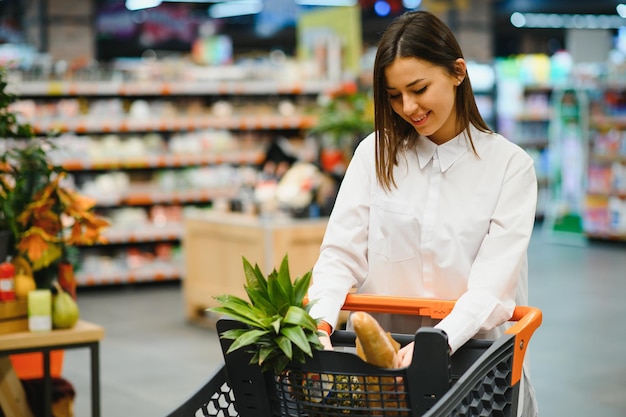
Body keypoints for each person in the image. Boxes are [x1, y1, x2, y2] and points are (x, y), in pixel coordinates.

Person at [306, 10, 538, 417]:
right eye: (394, 95)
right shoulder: (373, 154)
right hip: (375, 371)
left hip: (473, 368)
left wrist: (438, 342)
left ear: (457, 72)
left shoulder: (509, 167)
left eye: (418, 88)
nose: (408, 107)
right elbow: (340, 254)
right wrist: (320, 324)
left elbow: (491, 287)